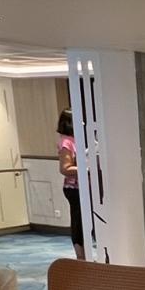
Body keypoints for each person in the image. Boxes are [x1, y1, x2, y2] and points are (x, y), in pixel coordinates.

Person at [57, 108, 83, 258]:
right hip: (74, 188)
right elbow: (65, 168)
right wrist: (86, 168)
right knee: (78, 222)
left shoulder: (75, 140)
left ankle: (84, 254)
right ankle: (81, 255)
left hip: (82, 187)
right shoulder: (66, 142)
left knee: (83, 221)